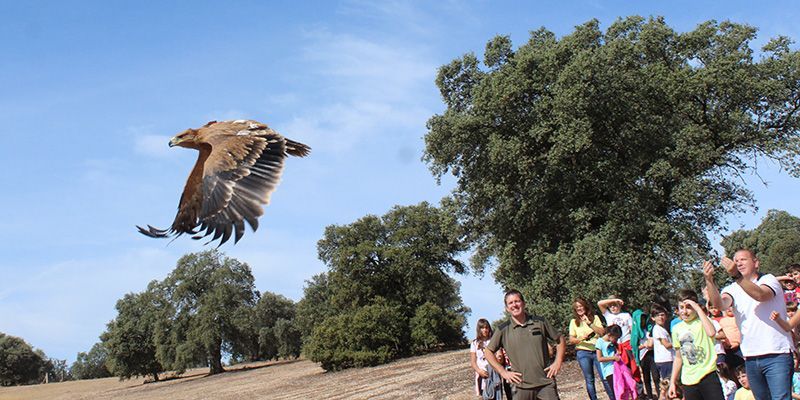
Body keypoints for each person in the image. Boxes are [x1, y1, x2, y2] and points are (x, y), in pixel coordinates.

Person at [704, 250, 794, 400]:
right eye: (736, 260)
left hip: (777, 353)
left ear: (756, 263)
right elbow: (720, 304)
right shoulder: (732, 288)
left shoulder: (769, 280)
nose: (738, 263)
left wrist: (736, 276)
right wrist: (709, 280)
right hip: (751, 357)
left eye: (743, 259)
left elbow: (761, 295)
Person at [485, 289, 566, 400]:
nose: (514, 305)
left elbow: (560, 339)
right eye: (510, 303)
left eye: (517, 301)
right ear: (507, 308)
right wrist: (503, 372)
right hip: (520, 386)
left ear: (523, 303)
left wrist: (557, 362)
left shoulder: (540, 322)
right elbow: (488, 352)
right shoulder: (502, 329)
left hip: (546, 383)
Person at [668, 289, 724, 400]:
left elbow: (712, 333)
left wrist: (698, 308)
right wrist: (672, 382)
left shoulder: (703, 321)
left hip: (708, 375)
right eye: (681, 307)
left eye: (688, 307)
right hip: (689, 380)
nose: (685, 311)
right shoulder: (676, 329)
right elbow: (678, 358)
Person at [568, 298, 611, 400]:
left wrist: (590, 324)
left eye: (581, 306)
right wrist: (579, 339)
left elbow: (602, 333)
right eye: (577, 307)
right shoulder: (574, 322)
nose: (579, 309)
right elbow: (571, 339)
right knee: (589, 379)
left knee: (604, 377)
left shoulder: (595, 318)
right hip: (583, 352)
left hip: (597, 350)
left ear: (585, 306)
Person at [471, 318, 497, 397]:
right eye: (482, 328)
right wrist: (479, 371)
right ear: (479, 329)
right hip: (482, 374)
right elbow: (473, 362)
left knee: (495, 395)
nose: (485, 330)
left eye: (486, 327)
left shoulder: (494, 341)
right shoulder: (475, 343)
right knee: (483, 395)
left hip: (493, 373)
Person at [596, 324, 623, 400]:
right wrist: (613, 358)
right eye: (616, 338)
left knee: (621, 390)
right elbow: (599, 358)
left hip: (617, 369)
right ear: (609, 334)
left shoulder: (614, 343)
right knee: (615, 392)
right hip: (609, 371)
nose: (616, 340)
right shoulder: (600, 342)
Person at [651, 304, 675, 382]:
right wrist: (679, 342)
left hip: (668, 359)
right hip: (665, 360)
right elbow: (666, 345)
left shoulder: (662, 329)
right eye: (657, 315)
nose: (660, 317)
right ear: (653, 318)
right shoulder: (658, 329)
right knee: (669, 382)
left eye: (662, 315)